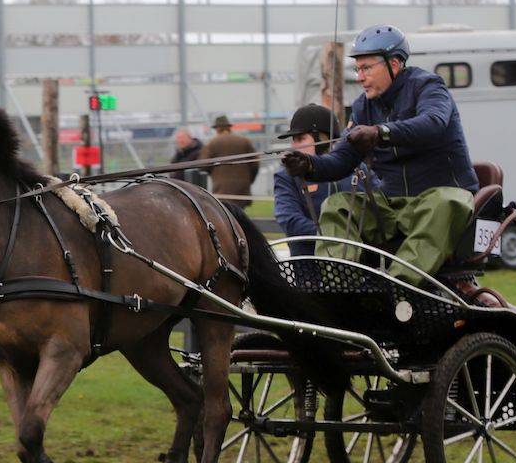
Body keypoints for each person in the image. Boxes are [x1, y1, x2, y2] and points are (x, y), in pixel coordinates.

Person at [282, 24, 482, 294]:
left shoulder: (428, 87)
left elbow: (432, 123)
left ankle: (393, 289)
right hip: (392, 207)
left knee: (445, 203)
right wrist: (309, 165)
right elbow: (342, 159)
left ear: (394, 64)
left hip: (439, 198)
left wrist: (381, 133)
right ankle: (340, 290)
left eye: (366, 68)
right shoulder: (363, 107)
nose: (360, 77)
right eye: (357, 69)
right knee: (336, 205)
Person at [274, 103, 374, 258]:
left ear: (323, 139)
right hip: (309, 265)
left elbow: (377, 209)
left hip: (360, 262)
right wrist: (334, 234)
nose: (294, 146)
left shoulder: (359, 170)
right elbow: (289, 220)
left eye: (300, 139)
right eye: (293, 140)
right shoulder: (286, 176)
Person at [199, 115, 258, 208]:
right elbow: (255, 164)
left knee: (225, 214)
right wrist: (249, 180)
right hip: (242, 189)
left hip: (221, 190)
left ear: (217, 129)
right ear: (229, 127)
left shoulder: (212, 143)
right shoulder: (244, 141)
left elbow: (203, 165)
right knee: (239, 215)